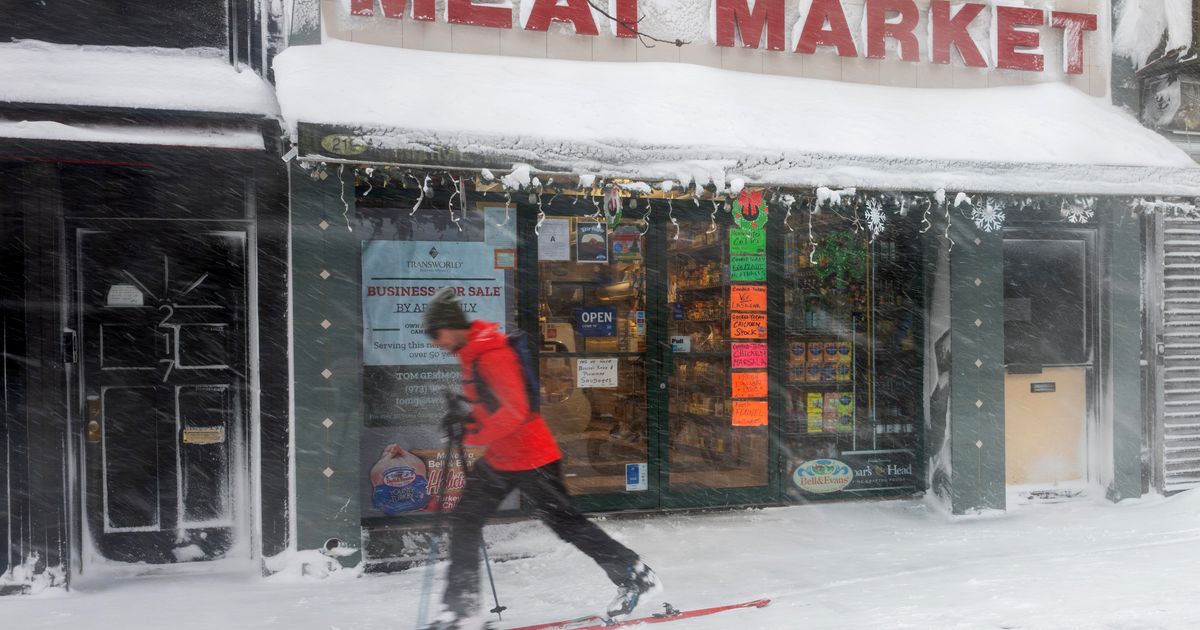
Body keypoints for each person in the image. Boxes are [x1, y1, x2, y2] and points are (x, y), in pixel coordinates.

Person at [421, 287, 660, 630]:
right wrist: (465, 418)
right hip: (502, 459)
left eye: (436, 334)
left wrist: (472, 433)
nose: (435, 343)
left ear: (452, 327)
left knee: (567, 525)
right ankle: (462, 611)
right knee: (465, 520)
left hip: (533, 458)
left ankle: (636, 574)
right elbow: (493, 406)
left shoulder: (491, 355)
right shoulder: (472, 353)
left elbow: (516, 411)